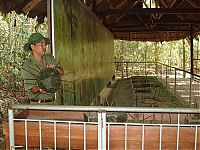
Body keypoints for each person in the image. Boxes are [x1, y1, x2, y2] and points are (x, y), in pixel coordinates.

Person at [21, 33, 64, 104]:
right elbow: (33, 89)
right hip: (37, 105)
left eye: (45, 44)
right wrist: (42, 87)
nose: (44, 47)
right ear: (32, 46)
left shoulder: (49, 58)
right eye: (41, 44)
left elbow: (62, 71)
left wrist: (54, 70)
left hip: (52, 103)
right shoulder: (27, 66)